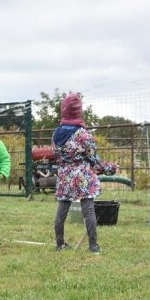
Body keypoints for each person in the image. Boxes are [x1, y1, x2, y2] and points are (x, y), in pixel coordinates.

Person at [51, 93, 116, 254]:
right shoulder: (84, 135)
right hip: (82, 176)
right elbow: (94, 160)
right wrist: (111, 168)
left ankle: (60, 244)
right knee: (89, 211)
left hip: (64, 175)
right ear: (79, 111)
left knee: (62, 211)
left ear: (63, 111)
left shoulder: (56, 134)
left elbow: (56, 156)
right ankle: (93, 246)